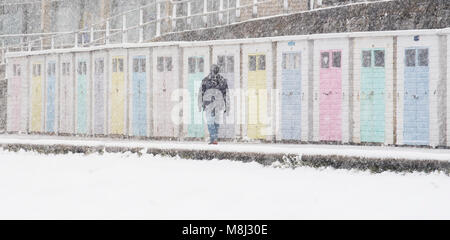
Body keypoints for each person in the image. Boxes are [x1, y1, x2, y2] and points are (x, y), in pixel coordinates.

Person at [198, 64, 230, 144]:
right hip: (218, 104)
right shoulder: (222, 80)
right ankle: (214, 137)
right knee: (215, 121)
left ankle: (213, 138)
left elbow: (201, 93)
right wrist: (227, 106)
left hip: (209, 104)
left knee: (210, 121)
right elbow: (226, 94)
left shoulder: (205, 80)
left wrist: (200, 103)